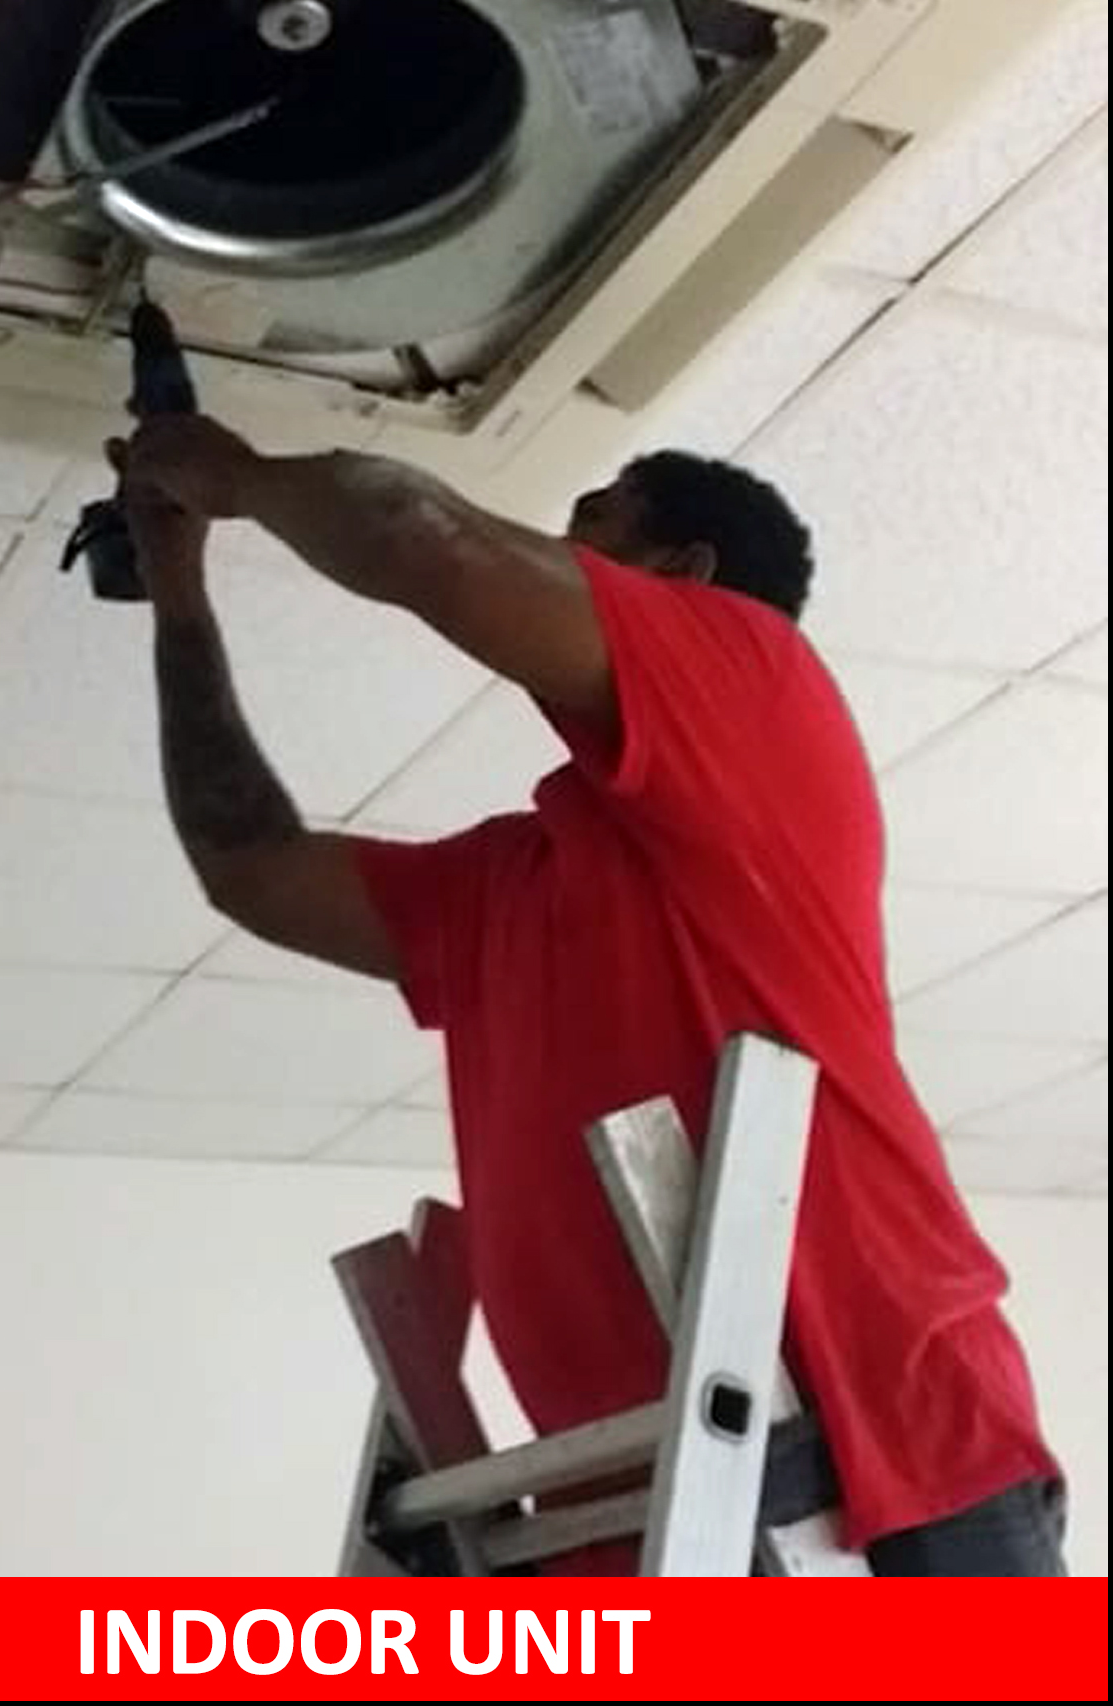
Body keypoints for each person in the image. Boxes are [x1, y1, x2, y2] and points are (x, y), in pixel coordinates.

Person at [111, 415, 1067, 1577]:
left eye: (593, 524)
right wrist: (178, 596)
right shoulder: (505, 886)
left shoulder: (759, 679)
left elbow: (420, 535)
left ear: (685, 577)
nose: (557, 551)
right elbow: (251, 870)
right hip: (659, 1506)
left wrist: (238, 477)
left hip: (892, 1457)